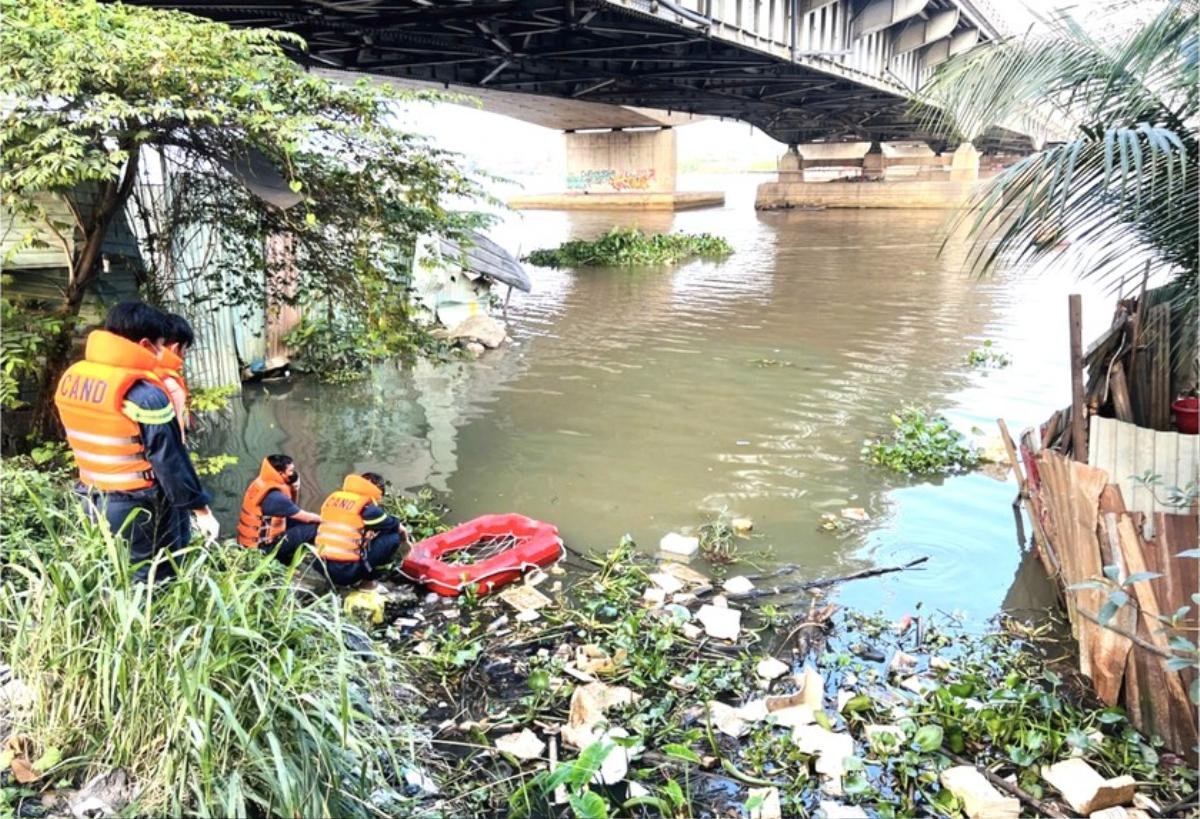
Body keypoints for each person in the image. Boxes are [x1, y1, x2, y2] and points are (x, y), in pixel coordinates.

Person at [54, 301, 219, 583]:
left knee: (114, 569)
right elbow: (169, 461)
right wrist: (201, 509)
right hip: (137, 505)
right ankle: (153, 626)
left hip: (89, 497)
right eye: (158, 346)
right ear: (144, 343)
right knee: (155, 577)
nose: (159, 354)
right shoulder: (145, 395)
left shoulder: (74, 379)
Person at [312, 472, 406, 587]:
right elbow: (395, 526)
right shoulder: (367, 508)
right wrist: (405, 540)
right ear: (376, 489)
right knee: (393, 538)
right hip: (345, 573)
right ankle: (368, 581)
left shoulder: (333, 499)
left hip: (320, 567)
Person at [236, 454, 321, 564]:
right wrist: (329, 522)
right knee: (314, 528)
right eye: (291, 471)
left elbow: (291, 508)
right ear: (280, 473)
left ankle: (287, 557)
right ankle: (294, 562)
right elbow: (307, 518)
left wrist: (294, 489)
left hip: (248, 544)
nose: (294, 473)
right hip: (260, 551)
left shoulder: (261, 483)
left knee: (295, 521)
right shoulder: (275, 497)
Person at [157, 312, 194, 441]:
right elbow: (176, 437)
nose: (184, 356)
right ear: (175, 348)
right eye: (185, 350)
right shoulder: (171, 386)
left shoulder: (147, 376)